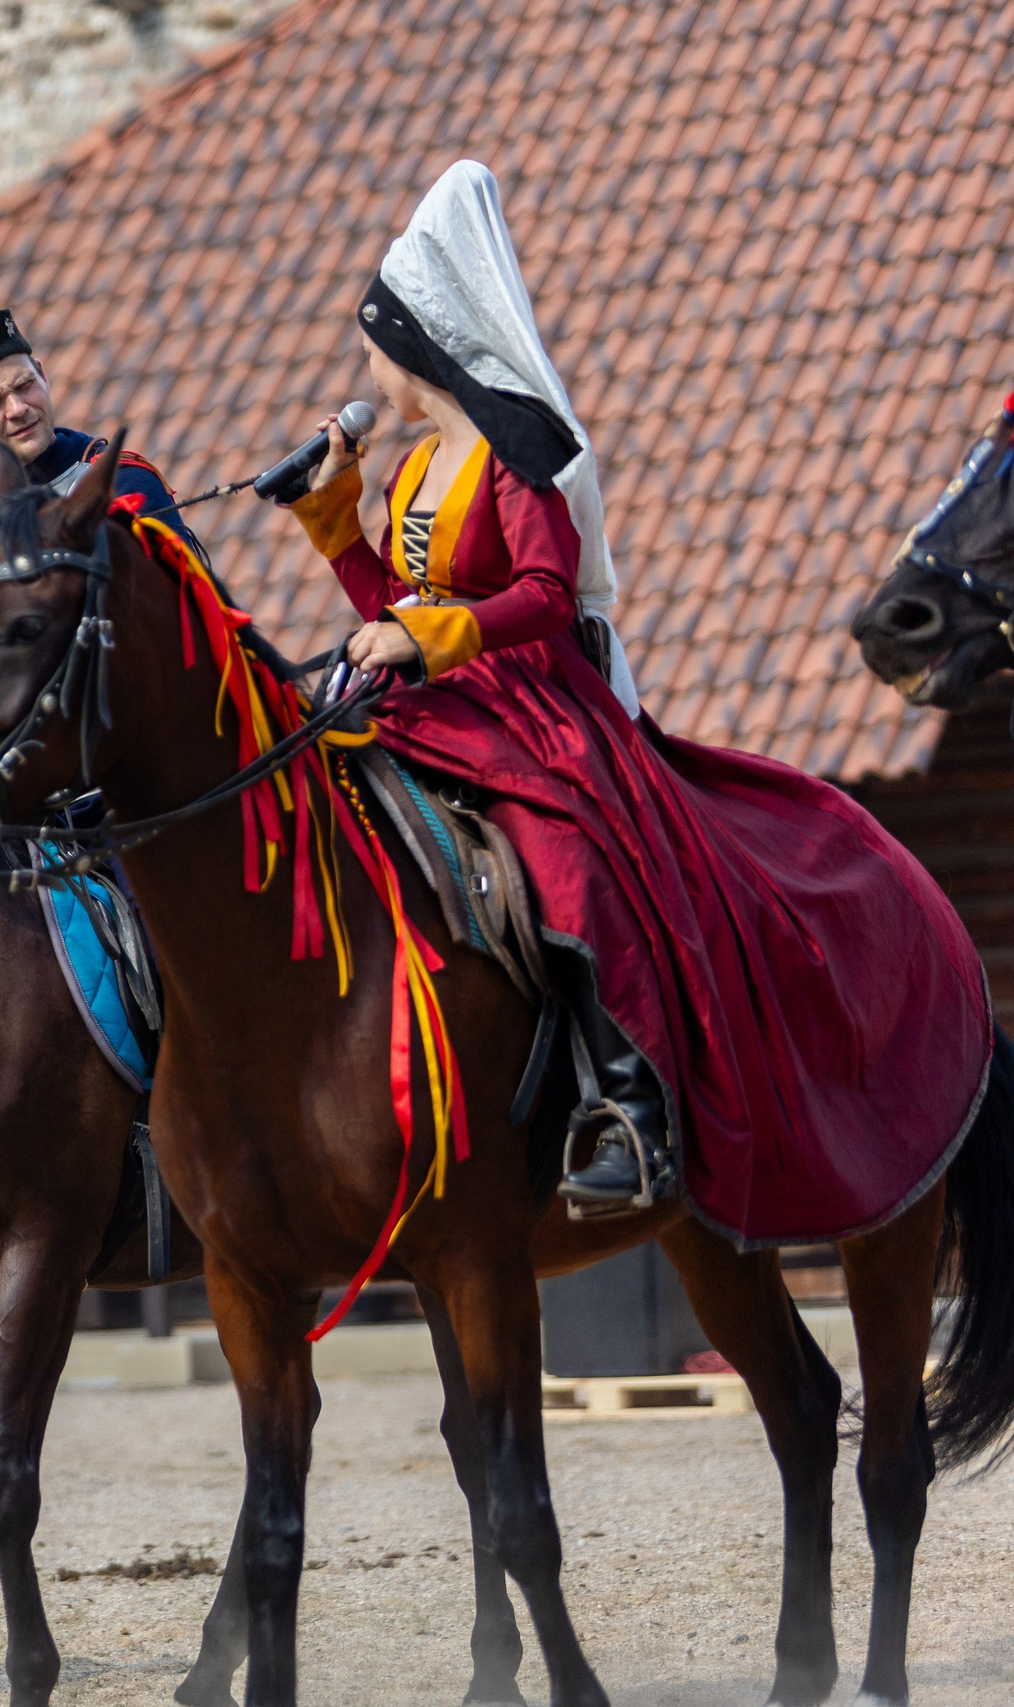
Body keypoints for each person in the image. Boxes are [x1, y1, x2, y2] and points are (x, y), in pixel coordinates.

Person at [281, 161, 987, 1230]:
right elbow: (395, 607)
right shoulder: (413, 466)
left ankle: (626, 1098)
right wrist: (337, 528)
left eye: (373, 342)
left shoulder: (520, 455)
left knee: (565, 856)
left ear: (412, 341)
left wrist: (431, 634)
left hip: (528, 702)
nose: (366, 365)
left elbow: (542, 592)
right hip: (424, 691)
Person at [0, 307, 201, 711]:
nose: (18, 409)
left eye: (25, 385)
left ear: (43, 374)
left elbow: (183, 622)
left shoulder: (126, 485)